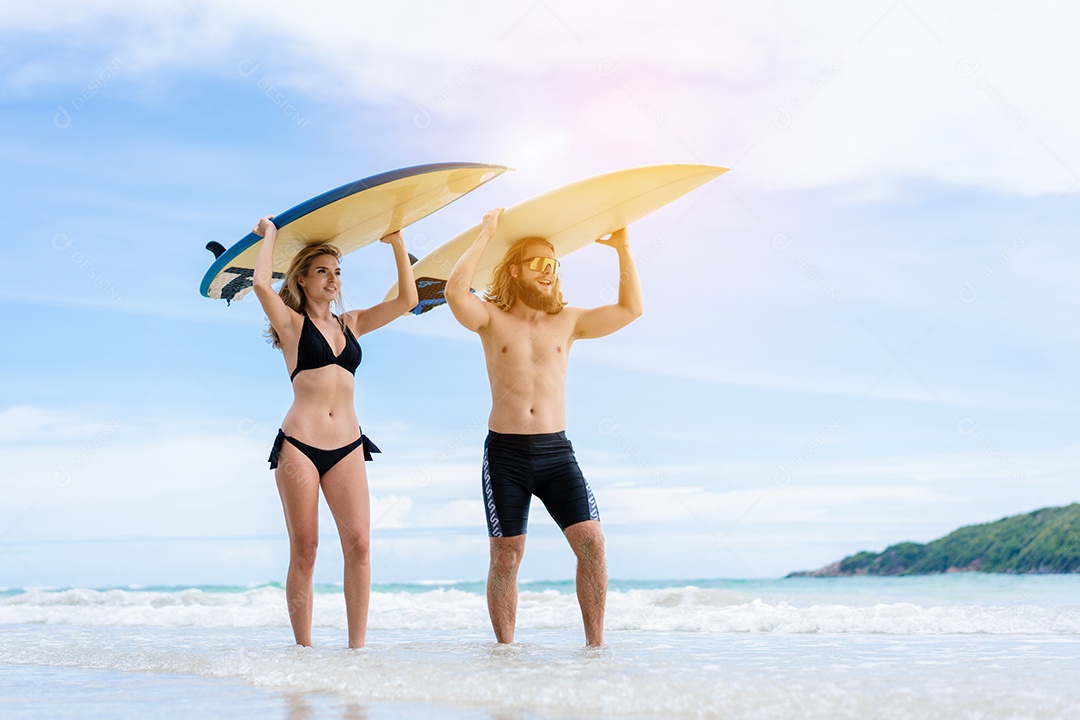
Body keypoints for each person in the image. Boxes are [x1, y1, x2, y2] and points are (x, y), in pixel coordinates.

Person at [444, 208, 643, 646]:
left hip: (557, 453)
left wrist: (623, 248)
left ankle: (595, 648)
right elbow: (454, 292)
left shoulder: (568, 321)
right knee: (507, 555)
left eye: (554, 264)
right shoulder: (491, 318)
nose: (549, 272)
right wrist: (486, 234)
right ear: (515, 269)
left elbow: (631, 309)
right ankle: (506, 652)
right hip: (506, 455)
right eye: (539, 263)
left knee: (592, 541)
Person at [251, 216, 418, 649]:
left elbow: (407, 299)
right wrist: (271, 237)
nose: (333, 279)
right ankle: (303, 651)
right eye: (322, 271)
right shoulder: (291, 325)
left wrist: (397, 243)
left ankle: (356, 652)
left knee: (360, 545)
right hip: (300, 446)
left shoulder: (352, 323)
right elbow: (261, 287)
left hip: (347, 445)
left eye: (338, 271)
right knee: (306, 551)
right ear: (303, 280)